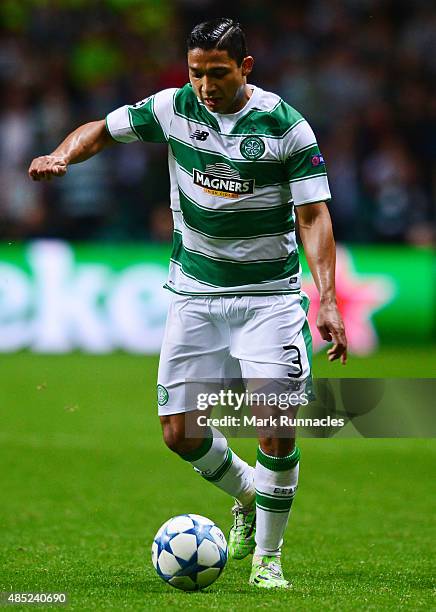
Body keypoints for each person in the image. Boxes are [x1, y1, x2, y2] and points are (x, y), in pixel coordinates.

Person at [28, 18, 347, 589]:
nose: (204, 85)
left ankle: (268, 563)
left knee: (274, 426)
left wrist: (326, 299)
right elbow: (102, 129)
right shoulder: (173, 107)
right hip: (195, 295)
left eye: (217, 73)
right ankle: (249, 496)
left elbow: (313, 215)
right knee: (179, 433)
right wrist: (61, 154)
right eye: (196, 72)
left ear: (245, 68)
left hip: (267, 298)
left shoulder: (285, 126)